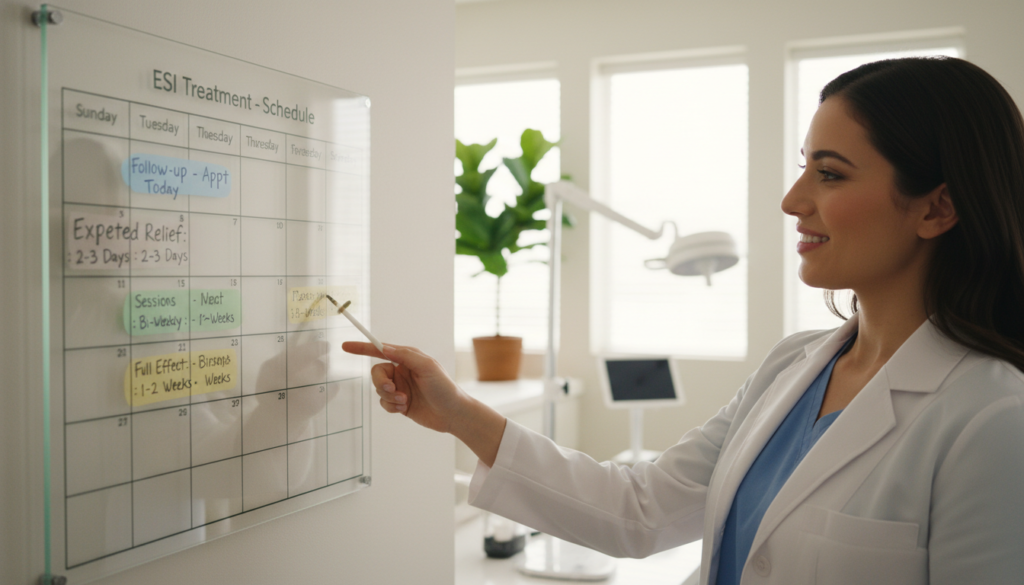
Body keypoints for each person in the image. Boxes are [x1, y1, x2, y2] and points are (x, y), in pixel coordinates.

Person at [343, 57, 1024, 585]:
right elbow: (638, 506)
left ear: (937, 208)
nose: (793, 200)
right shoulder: (793, 365)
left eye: (831, 175)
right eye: (802, 170)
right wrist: (457, 410)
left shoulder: (991, 419)